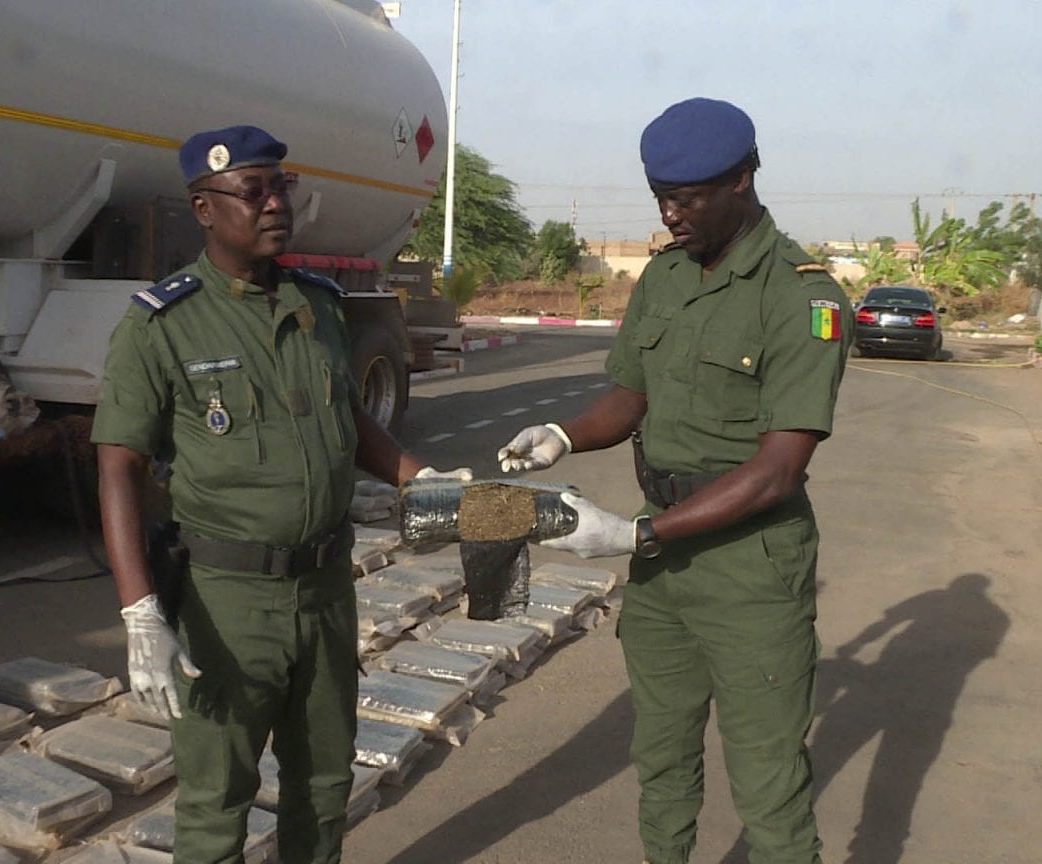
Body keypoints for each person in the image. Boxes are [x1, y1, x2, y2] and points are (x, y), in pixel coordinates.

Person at [91, 125, 469, 864]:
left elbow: (348, 419)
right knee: (215, 802)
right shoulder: (162, 324)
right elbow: (118, 469)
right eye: (253, 191)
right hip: (227, 601)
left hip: (326, 590)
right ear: (205, 208)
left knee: (325, 786)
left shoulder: (319, 305)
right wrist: (139, 612)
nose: (274, 205)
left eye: (280, 188)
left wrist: (418, 477)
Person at [497, 98, 850, 864]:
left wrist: (632, 534)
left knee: (769, 785)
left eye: (685, 199)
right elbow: (632, 396)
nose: (669, 214)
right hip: (664, 567)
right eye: (660, 196)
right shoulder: (665, 277)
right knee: (660, 760)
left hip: (751, 567)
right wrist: (561, 436)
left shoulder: (802, 296)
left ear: (743, 181)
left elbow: (779, 470)